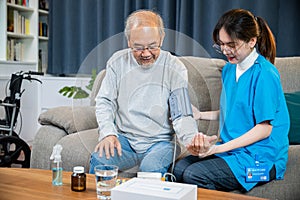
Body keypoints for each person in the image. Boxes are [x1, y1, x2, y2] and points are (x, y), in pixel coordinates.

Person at [174, 8, 290, 192]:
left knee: (193, 174)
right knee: (179, 168)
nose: (225, 50)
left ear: (252, 41)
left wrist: (216, 149)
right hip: (233, 151)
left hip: (262, 159)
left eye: (232, 44)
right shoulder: (229, 69)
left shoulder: (265, 74)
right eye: (221, 44)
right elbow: (236, 111)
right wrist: (200, 115)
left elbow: (265, 128)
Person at [89, 10, 200, 175]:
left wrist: (192, 139)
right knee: (99, 160)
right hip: (125, 140)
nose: (146, 53)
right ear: (129, 42)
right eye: (138, 48)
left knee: (150, 170)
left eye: (153, 46)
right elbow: (105, 101)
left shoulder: (175, 67)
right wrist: (108, 133)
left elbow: (181, 112)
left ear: (162, 38)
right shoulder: (117, 62)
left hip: (160, 143)